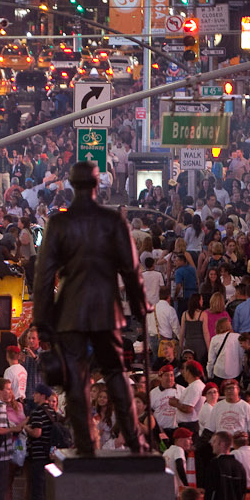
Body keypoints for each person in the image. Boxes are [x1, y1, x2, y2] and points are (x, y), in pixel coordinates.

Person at [31, 162, 148, 453]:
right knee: (116, 373)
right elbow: (131, 270)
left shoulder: (59, 223)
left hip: (71, 311)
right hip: (107, 309)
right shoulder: (112, 221)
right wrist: (139, 307)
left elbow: (43, 276)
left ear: (71, 185)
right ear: (98, 185)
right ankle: (134, 440)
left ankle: (85, 444)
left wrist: (42, 320)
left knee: (76, 379)